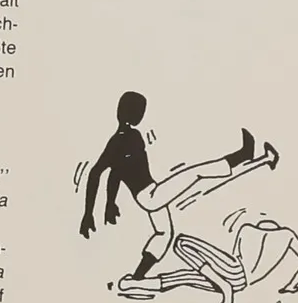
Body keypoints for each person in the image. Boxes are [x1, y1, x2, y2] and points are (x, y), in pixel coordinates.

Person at [78, 91, 277, 279]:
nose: (142, 115)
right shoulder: (123, 140)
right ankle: (244, 154)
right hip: (151, 196)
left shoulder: (128, 137)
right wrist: (89, 213)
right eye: (141, 111)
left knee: (164, 234)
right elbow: (98, 173)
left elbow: (115, 171)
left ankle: (138, 276)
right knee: (196, 173)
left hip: (150, 194)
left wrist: (109, 204)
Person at [115, 219, 298, 303]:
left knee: (181, 243)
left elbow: (234, 257)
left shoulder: (248, 229)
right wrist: (291, 285)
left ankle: (223, 287)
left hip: (232, 270)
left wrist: (220, 275)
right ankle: (131, 285)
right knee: (183, 277)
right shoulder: (286, 235)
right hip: (241, 283)